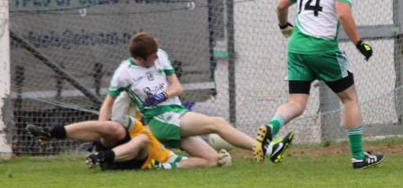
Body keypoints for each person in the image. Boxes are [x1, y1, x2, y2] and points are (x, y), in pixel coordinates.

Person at [253, 0, 384, 169]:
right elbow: (343, 14)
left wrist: (284, 25)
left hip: (296, 47)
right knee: (349, 98)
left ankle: (272, 127)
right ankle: (358, 156)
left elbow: (282, 4)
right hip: (322, 49)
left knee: (296, 102)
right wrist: (360, 44)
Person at [99, 32, 293, 167]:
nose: (157, 56)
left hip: (175, 112)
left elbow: (177, 88)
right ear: (140, 59)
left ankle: (161, 167)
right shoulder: (124, 73)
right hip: (161, 120)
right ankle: (267, 150)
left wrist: (159, 96)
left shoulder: (160, 56)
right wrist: (101, 134)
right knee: (217, 123)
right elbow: (108, 104)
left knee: (211, 160)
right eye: (152, 56)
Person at [26, 117, 187, 170]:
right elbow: (112, 120)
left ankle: (102, 157)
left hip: (135, 162)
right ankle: (51, 133)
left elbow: (200, 161)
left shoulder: (169, 150)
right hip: (113, 152)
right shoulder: (139, 124)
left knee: (143, 140)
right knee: (114, 127)